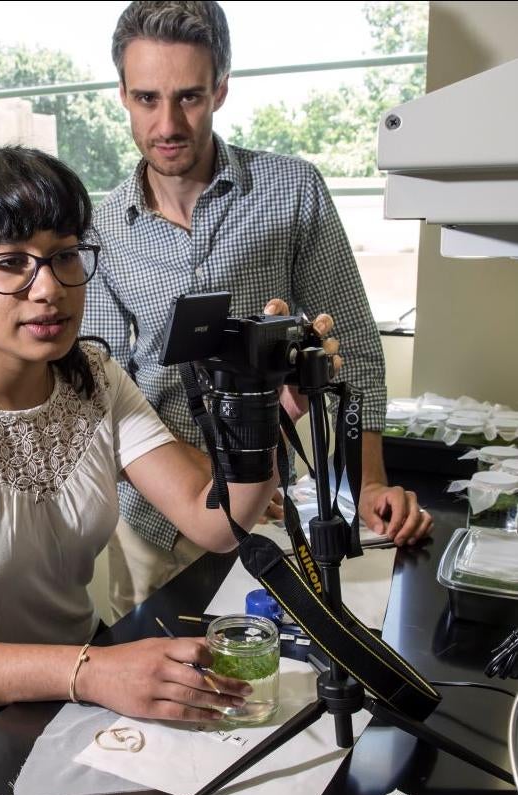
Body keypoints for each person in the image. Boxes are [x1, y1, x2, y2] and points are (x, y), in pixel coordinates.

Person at [0, 144, 338, 795]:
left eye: (64, 254)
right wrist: (91, 671)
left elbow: (212, 522)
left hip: (87, 676)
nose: (49, 289)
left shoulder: (92, 378)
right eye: (10, 263)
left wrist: (266, 410)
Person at [82, 0, 433, 621]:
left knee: (274, 685)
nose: (167, 122)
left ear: (220, 89)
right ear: (122, 94)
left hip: (274, 504)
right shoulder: (103, 227)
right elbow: (107, 390)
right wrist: (222, 479)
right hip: (152, 518)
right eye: (146, 99)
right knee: (157, 686)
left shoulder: (292, 190)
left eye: (189, 97)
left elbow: (352, 346)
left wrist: (368, 483)